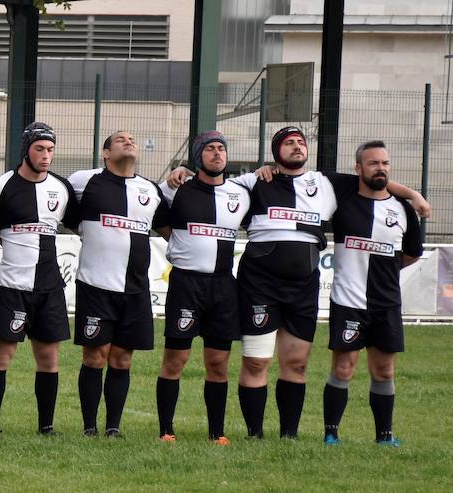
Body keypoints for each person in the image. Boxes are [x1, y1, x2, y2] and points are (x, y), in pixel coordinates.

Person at [165, 127, 429, 439]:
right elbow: (212, 183)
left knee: (297, 363)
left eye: (301, 142)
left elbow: (374, 179)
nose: (296, 146)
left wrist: (412, 194)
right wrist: (182, 172)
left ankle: (288, 434)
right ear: (277, 152)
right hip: (259, 285)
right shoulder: (255, 182)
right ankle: (255, 434)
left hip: (303, 287)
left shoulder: (326, 182)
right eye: (289, 143)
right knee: (256, 361)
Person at [67, 131, 168, 438]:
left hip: (135, 290)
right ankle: (89, 427)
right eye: (120, 139)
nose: (129, 141)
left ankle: (113, 427)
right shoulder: (84, 181)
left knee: (123, 357)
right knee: (95, 355)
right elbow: (59, 207)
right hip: (96, 285)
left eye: (132, 139)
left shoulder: (150, 190)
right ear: (105, 153)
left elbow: (168, 228)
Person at [322, 141, 422, 447]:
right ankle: (331, 434)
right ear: (358, 169)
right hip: (348, 302)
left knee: (384, 369)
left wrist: (387, 272)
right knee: (343, 368)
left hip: (387, 305)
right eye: (373, 163)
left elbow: (413, 253)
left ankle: (385, 436)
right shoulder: (343, 201)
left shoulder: (403, 210)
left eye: (385, 163)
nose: (380, 168)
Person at [0, 123, 79, 436]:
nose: (46, 155)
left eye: (50, 149)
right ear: (26, 149)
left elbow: (79, 224)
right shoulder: (0, 186)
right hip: (12, 286)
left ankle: (46, 427)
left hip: (50, 288)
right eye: (40, 148)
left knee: (49, 358)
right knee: (2, 355)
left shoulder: (61, 189)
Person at [154, 131, 249, 444]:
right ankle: (166, 431)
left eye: (222, 148)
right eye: (210, 149)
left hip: (223, 286)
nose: (217, 154)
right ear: (199, 157)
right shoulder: (177, 189)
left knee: (218, 363)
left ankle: (216, 433)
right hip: (186, 284)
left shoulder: (240, 193)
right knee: (175, 359)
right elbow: (157, 217)